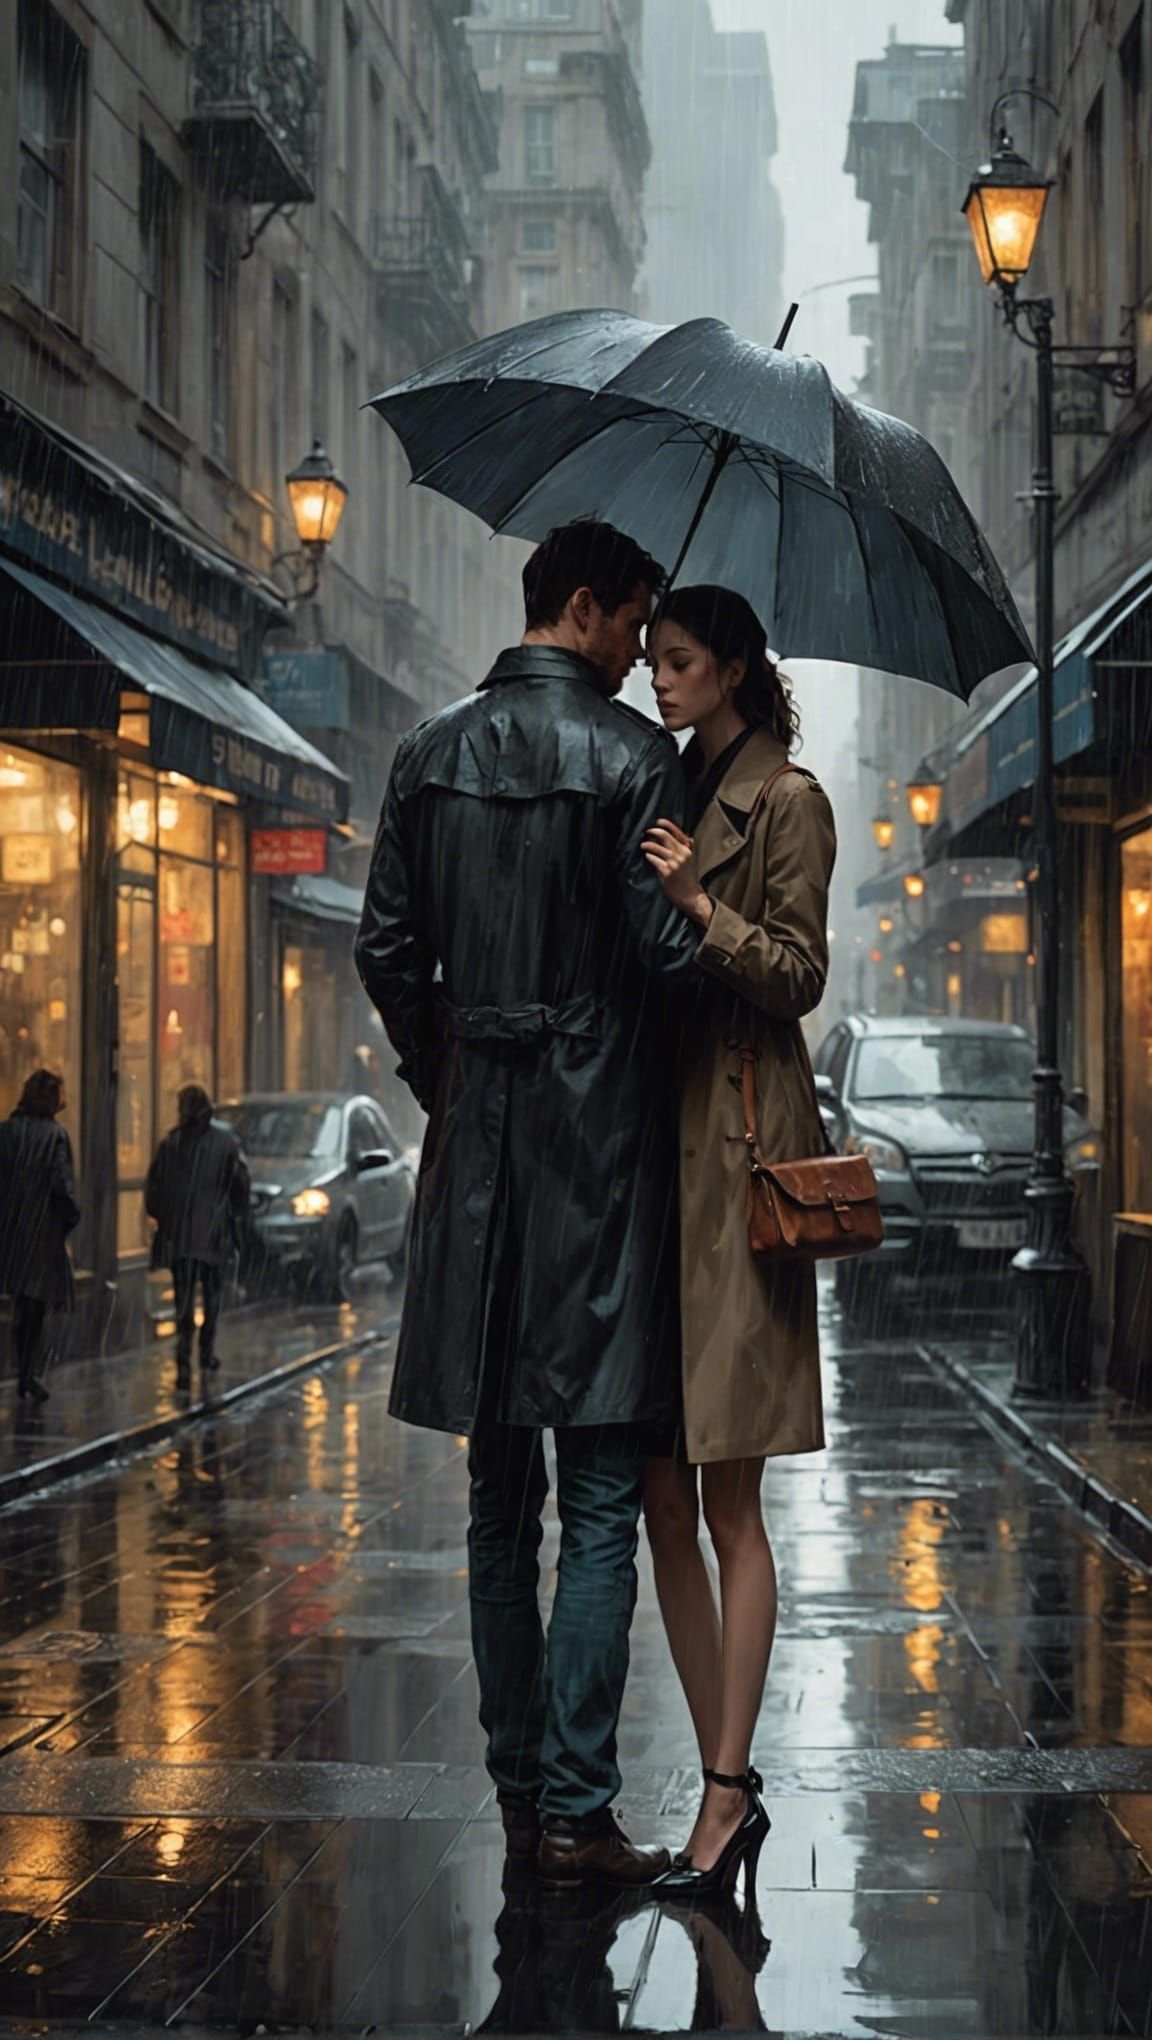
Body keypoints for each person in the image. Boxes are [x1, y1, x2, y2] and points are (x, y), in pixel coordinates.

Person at [356, 520, 699, 1887]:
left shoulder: (426, 753)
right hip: (600, 1166)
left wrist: (457, 1070)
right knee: (601, 1492)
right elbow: (669, 961)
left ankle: (518, 1785)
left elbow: (386, 947)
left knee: (500, 1494)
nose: (640, 654)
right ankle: (576, 1807)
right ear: (583, 605)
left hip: (478, 1167)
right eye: (633, 622)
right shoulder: (635, 760)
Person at [641, 584, 836, 1898]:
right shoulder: (667, 787)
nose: (659, 680)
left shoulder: (789, 800)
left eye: (680, 661)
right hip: (661, 1156)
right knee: (661, 1482)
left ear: (735, 670)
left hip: (745, 1157)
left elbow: (802, 974)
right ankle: (727, 1781)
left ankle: (723, 1792)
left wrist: (702, 913)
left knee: (728, 1494)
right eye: (653, 660)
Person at [146, 1084, 249, 1382]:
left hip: (180, 1235)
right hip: (213, 1234)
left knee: (184, 1297)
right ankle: (205, 1352)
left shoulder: (171, 1144)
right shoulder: (225, 1143)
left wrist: (166, 1216)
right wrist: (234, 1215)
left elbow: (154, 1190)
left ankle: (183, 1359)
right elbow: (240, 1188)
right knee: (213, 1294)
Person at [0, 1068, 80, 1403]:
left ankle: (24, 1371)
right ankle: (27, 1372)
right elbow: (60, 1185)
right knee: (35, 1306)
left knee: (22, 1302)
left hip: (11, 1229)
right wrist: (69, 1217)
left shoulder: (7, 1132)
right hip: (41, 1231)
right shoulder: (54, 1136)